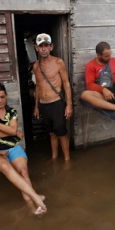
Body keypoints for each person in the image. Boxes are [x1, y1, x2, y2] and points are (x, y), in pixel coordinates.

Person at [0, 82, 47, 216]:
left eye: (2, 97)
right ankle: (34, 200)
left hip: (13, 148)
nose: (0, 100)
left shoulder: (12, 111)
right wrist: (13, 132)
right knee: (6, 168)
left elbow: (10, 129)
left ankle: (36, 207)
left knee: (23, 172)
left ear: (6, 96)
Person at [32, 33, 73, 162]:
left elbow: (66, 83)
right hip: (44, 105)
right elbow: (38, 87)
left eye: (46, 45)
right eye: (41, 46)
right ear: (36, 48)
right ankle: (54, 157)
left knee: (61, 133)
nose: (43, 49)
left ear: (51, 47)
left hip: (56, 103)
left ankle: (67, 160)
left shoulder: (58, 62)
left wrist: (69, 105)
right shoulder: (35, 66)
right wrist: (36, 107)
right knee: (51, 133)